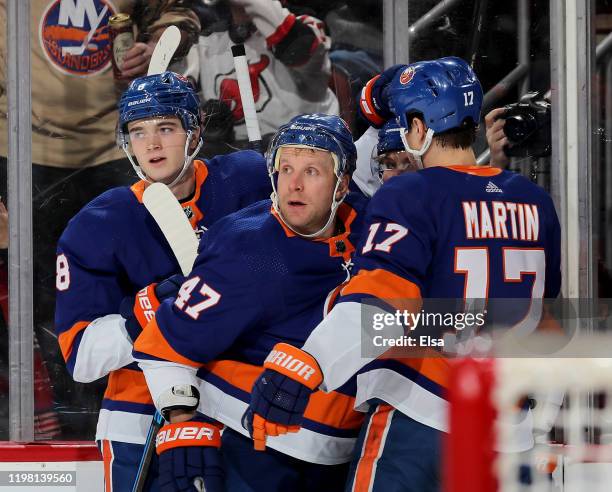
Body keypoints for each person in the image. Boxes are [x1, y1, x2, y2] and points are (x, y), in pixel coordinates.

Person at [242, 57, 562, 491]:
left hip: (423, 417)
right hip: (509, 429)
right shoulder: (533, 200)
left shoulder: (411, 192)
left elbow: (383, 302)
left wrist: (308, 364)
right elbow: (541, 322)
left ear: (417, 127)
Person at [54, 71, 270, 491]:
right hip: (142, 417)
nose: (151, 144)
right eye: (138, 131)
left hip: (245, 403)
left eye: (165, 128)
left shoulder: (248, 179)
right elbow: (80, 357)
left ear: (194, 132)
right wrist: (149, 307)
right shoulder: (98, 224)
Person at [132, 114, 369, 491]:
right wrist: (182, 422)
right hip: (252, 443)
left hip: (341, 452)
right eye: (285, 168)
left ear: (341, 184)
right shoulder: (248, 248)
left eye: (311, 171)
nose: (294, 185)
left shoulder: (370, 227)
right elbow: (162, 348)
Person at [0, 0, 202, 439]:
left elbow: (178, 13)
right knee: (36, 296)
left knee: (138, 288)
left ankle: (137, 410)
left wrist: (158, 46)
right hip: (20, 149)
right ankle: (58, 420)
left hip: (120, 149)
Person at [193, 0, 339, 142]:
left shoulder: (307, 27)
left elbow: (297, 50)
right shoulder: (206, 41)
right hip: (241, 157)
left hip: (303, 148)